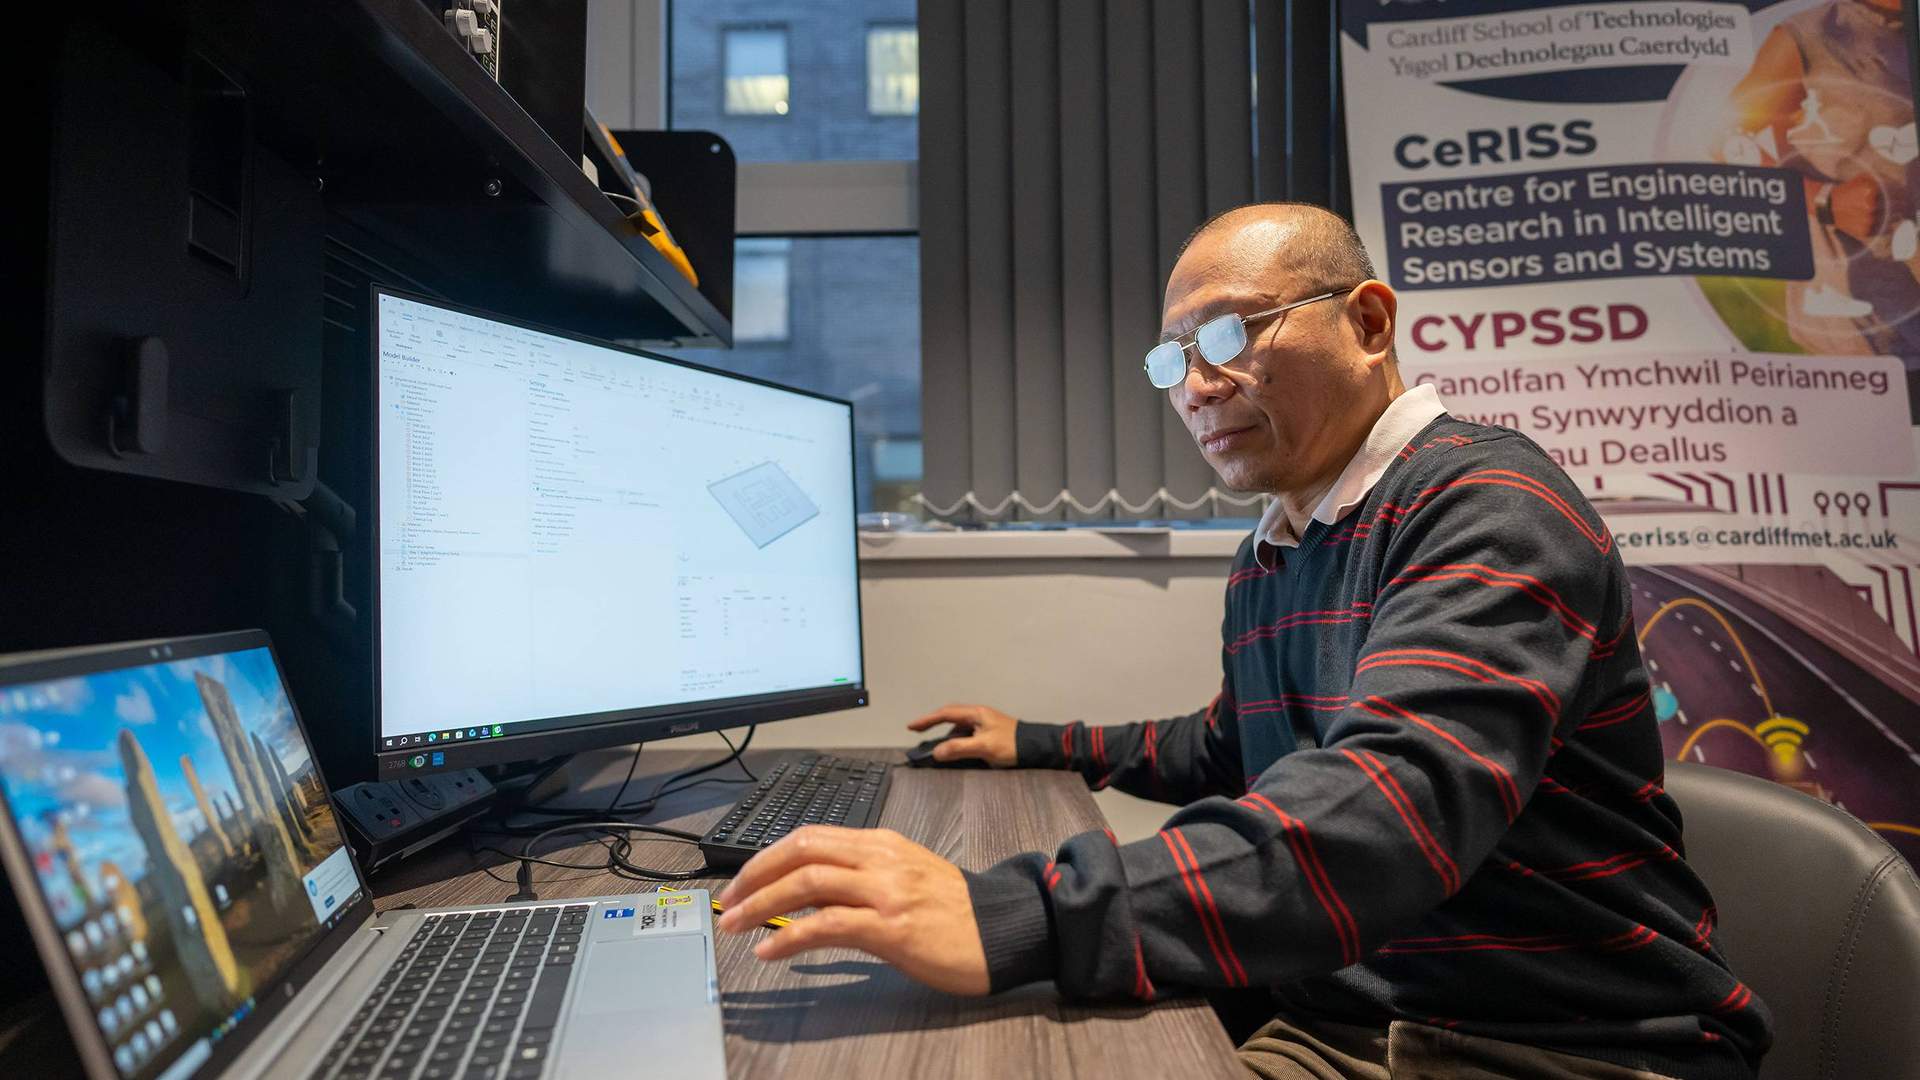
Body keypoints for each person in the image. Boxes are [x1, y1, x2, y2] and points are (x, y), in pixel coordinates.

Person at [714, 203, 1772, 1078]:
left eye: (1231, 335)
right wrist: (1035, 738)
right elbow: (1235, 748)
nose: (1196, 384)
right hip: (1356, 1006)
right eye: (1172, 357)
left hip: (1550, 1043)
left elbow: (1388, 809)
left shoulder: (1489, 507)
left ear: (1368, 322)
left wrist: (1011, 914)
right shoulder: (1279, 546)